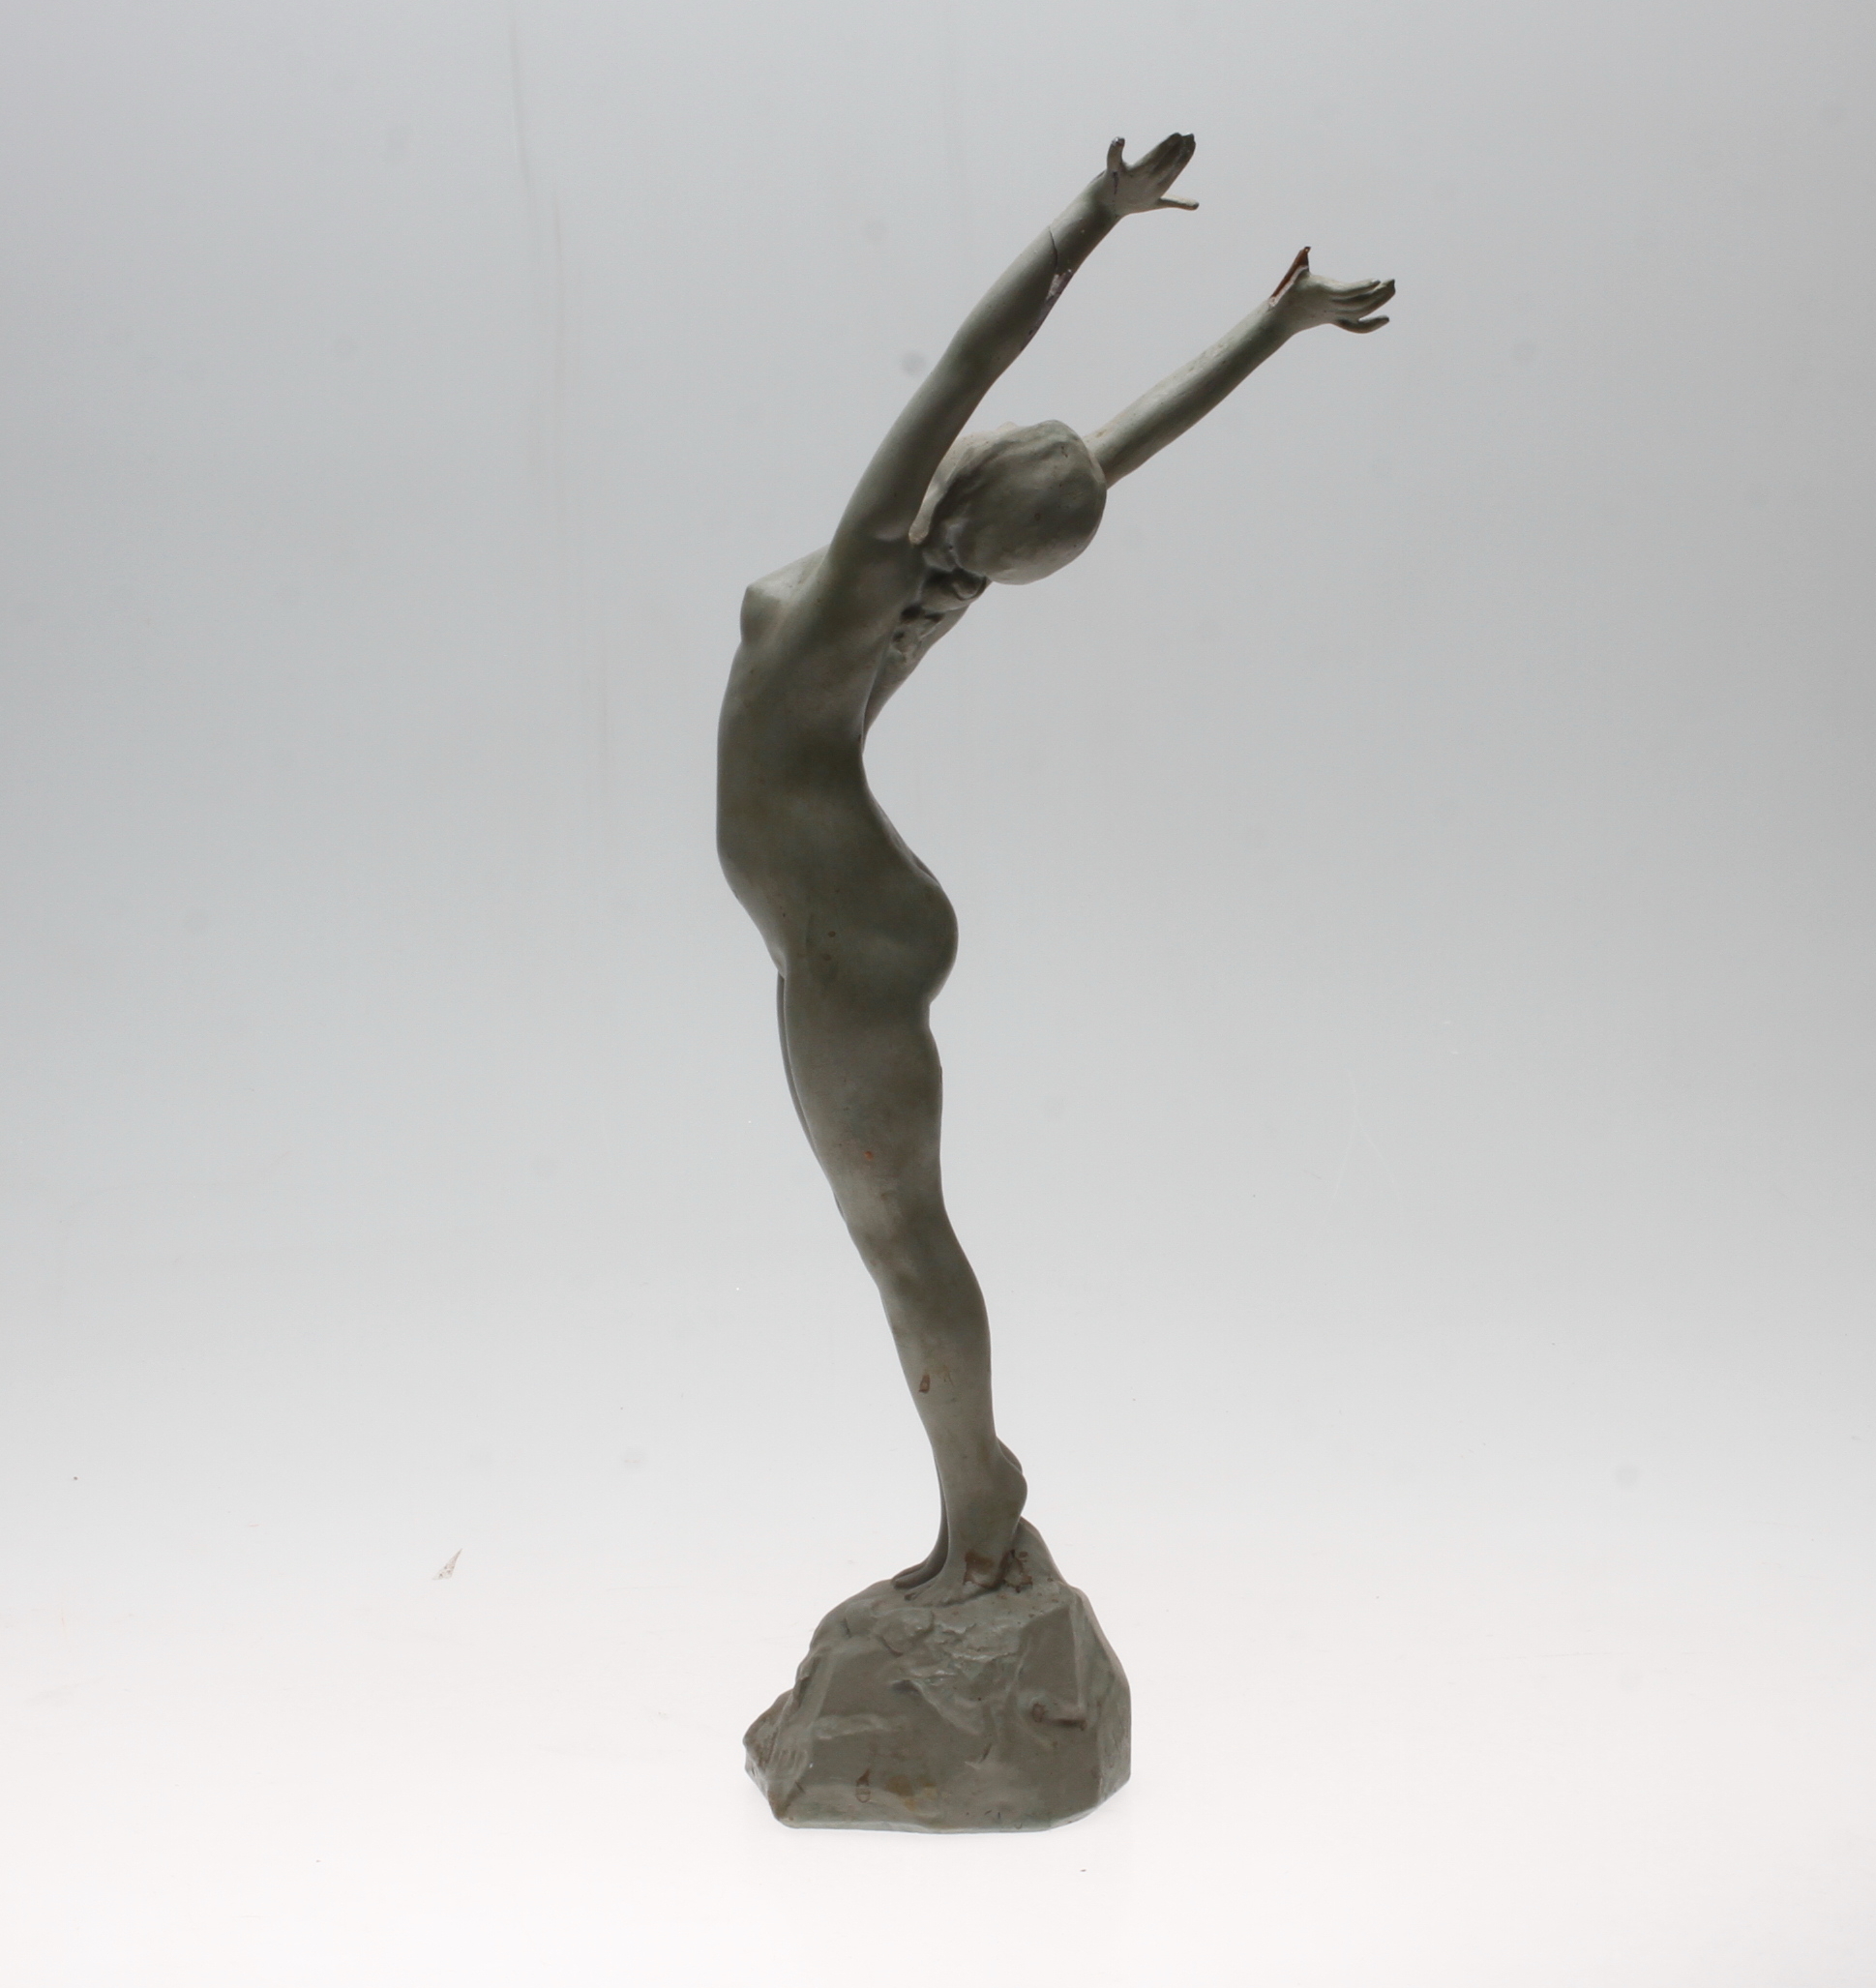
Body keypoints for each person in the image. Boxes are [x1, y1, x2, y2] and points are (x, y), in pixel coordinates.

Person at [717, 135, 1393, 1604]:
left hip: (845, 936)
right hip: (845, 920)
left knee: (899, 1238)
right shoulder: (934, 585)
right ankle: (975, 1487)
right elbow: (1120, 442)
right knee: (893, 1231)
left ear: (958, 481)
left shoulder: (868, 570)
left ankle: (977, 1507)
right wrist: (1269, 329)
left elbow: (971, 359)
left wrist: (1094, 215)